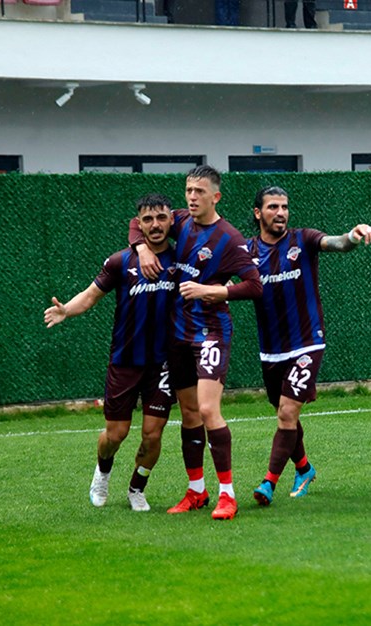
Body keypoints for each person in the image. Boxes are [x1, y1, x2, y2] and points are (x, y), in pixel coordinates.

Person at [129, 165, 262, 520]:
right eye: (188, 190)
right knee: (189, 413)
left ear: (215, 197)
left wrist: (212, 291)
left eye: (199, 191)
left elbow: (255, 285)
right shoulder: (181, 221)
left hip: (211, 333)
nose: (191, 197)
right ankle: (196, 491)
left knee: (206, 410)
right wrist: (142, 249)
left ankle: (227, 495)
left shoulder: (230, 238)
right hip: (178, 334)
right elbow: (137, 222)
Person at [44, 194, 177, 513]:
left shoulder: (182, 260)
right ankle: (102, 473)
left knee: (152, 435)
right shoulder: (120, 261)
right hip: (125, 361)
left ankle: (136, 489)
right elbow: (91, 295)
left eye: (161, 218)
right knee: (116, 434)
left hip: (164, 363)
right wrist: (67, 310)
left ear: (171, 220)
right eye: (148, 219)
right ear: (138, 224)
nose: (155, 225)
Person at [245, 186, 371, 507]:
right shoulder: (246, 250)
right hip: (271, 348)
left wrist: (353, 235)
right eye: (273, 207)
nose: (280, 212)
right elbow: (223, 275)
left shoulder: (302, 239)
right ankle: (304, 468)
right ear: (258, 213)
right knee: (285, 414)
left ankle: (268, 483)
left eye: (284, 206)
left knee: (288, 411)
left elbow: (336, 243)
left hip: (307, 341)